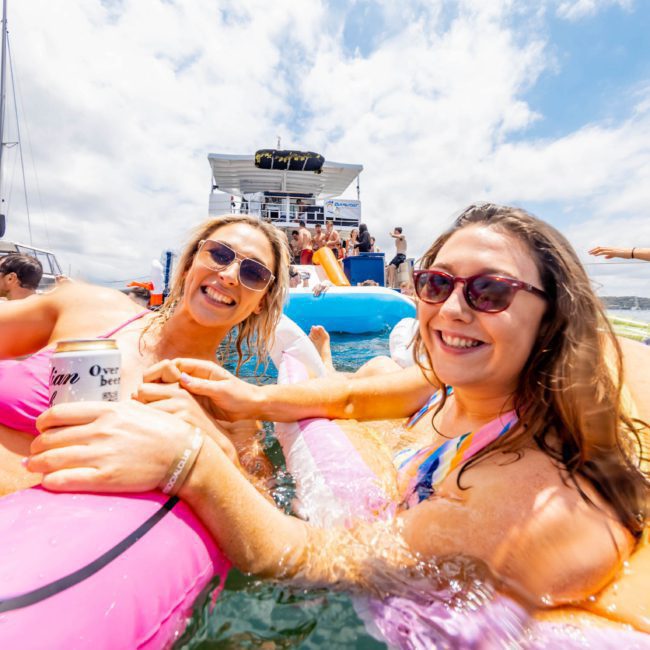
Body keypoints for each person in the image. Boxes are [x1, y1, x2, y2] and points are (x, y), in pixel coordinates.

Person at [27, 203, 649, 631]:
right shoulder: (449, 384)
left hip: (422, 520)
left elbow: (321, 560)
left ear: (551, 316)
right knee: (372, 380)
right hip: (407, 439)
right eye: (436, 285)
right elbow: (348, 402)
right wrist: (247, 395)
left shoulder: (527, 496)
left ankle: (324, 363)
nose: (454, 308)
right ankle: (326, 363)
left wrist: (190, 463)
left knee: (371, 384)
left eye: (489, 293)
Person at [0, 214, 288, 496]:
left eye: (253, 273)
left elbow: (264, 509)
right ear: (189, 265)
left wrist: (212, 447)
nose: (228, 276)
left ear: (261, 302)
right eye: (219, 254)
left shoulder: (229, 410)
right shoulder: (92, 306)